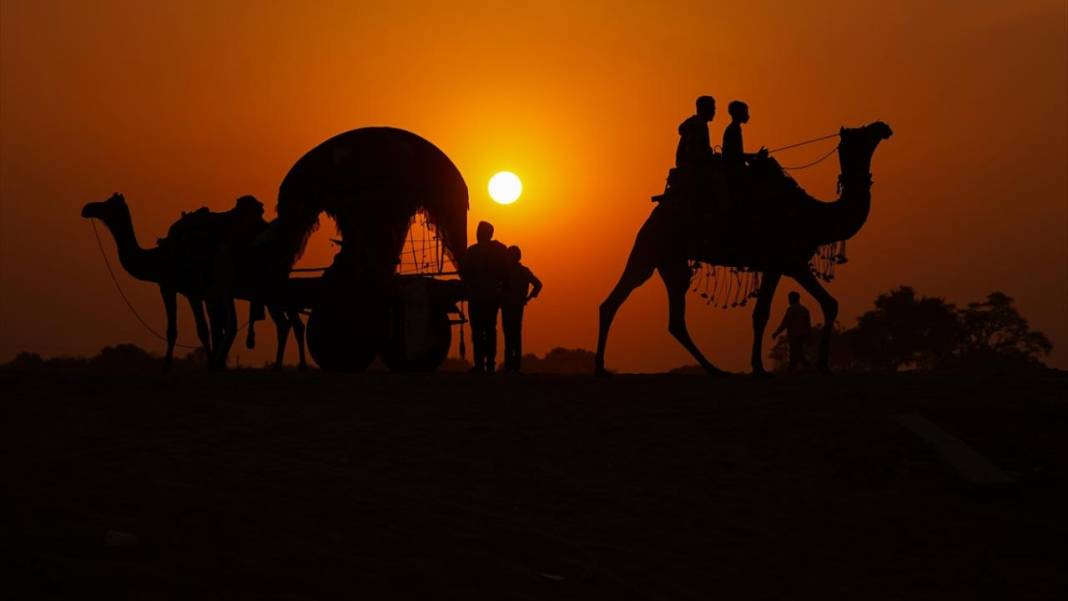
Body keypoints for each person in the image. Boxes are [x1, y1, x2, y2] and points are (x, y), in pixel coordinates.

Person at [459, 221, 509, 373]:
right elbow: (506, 273)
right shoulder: (500, 250)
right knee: (490, 330)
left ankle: (479, 364)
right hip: (492, 297)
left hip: (476, 297)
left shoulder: (472, 251)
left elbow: (465, 274)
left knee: (478, 331)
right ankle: (490, 364)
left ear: (480, 233)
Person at [653, 95, 717, 202]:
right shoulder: (698, 126)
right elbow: (695, 153)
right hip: (690, 166)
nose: (714, 112)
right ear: (704, 109)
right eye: (712, 109)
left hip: (689, 163)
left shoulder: (696, 123)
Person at [501, 245, 542, 373]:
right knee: (515, 336)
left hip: (508, 306)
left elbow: (538, 284)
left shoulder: (505, 272)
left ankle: (509, 366)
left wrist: (529, 297)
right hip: (517, 306)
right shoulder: (524, 271)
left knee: (509, 336)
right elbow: (538, 284)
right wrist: (529, 298)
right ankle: (515, 367)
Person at [772, 291, 812, 372]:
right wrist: (809, 335)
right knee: (797, 352)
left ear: (792, 299)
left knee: (795, 352)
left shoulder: (791, 310)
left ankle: (794, 368)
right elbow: (808, 324)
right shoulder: (804, 310)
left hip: (794, 334)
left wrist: (777, 332)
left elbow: (785, 323)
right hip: (802, 334)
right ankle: (801, 367)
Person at [722, 100, 768, 171]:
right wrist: (757, 155)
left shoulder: (734, 128)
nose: (748, 115)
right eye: (746, 112)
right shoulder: (734, 130)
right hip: (734, 170)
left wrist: (756, 155)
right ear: (739, 113)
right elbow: (736, 156)